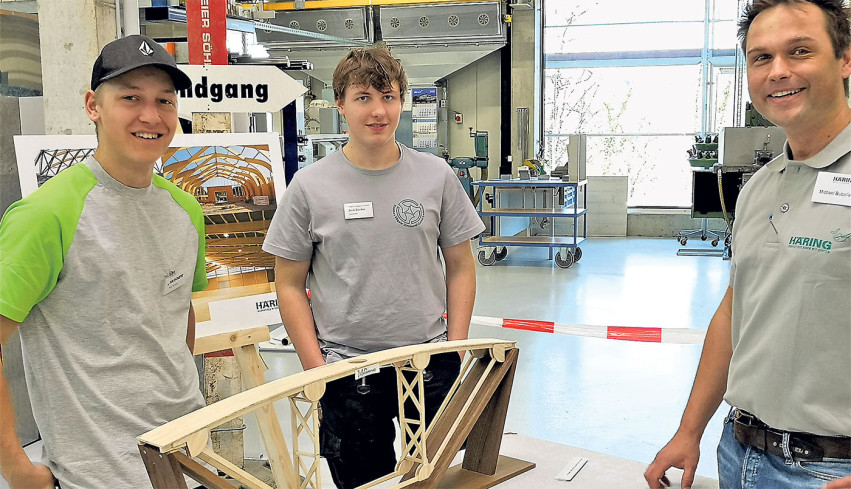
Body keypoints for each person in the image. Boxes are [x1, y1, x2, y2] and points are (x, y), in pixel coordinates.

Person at [645, 1, 851, 488]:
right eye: (761, 58)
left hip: (831, 468)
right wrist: (689, 429)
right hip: (738, 453)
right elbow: (735, 309)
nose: (778, 71)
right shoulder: (760, 185)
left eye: (799, 51)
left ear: (845, 60)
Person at [262, 47, 484, 489]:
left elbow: (461, 265)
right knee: (365, 482)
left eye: (388, 95)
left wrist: (454, 348)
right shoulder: (309, 186)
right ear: (340, 104)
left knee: (438, 478)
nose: (378, 110)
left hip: (428, 359)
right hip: (346, 368)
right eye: (363, 97)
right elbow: (287, 283)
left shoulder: (436, 176)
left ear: (402, 100)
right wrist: (316, 368)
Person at [0, 35, 208, 489]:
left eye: (164, 101)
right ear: (93, 105)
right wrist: (16, 468)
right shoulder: (46, 214)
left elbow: (178, 314)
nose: (150, 116)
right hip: (97, 474)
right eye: (130, 97)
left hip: (187, 458)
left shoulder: (185, 211)